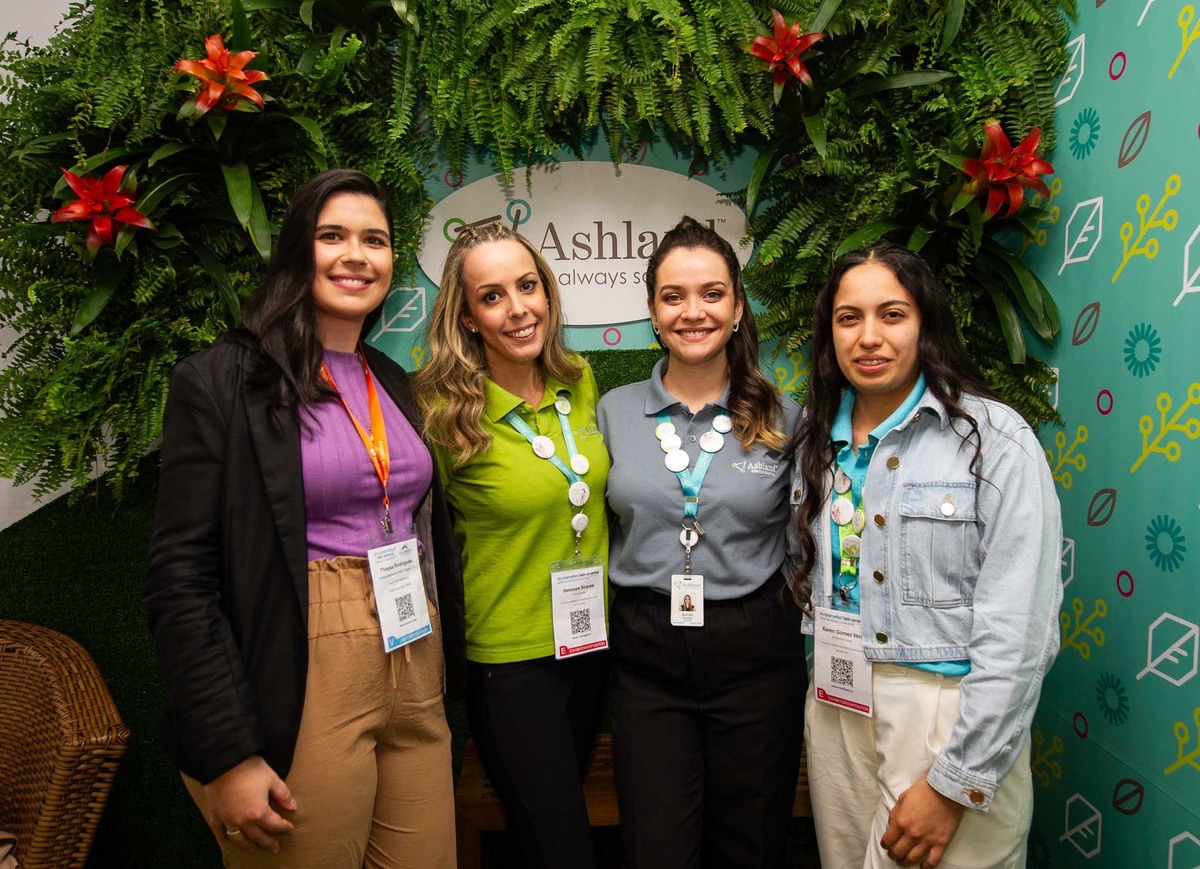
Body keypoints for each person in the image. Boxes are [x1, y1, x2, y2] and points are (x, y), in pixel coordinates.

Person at [145, 169, 463, 869]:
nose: (357, 255)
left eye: (375, 240)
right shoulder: (223, 378)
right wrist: (229, 750)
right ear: (296, 250)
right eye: (333, 236)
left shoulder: (390, 378)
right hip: (303, 662)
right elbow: (180, 577)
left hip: (412, 655)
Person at [789, 244, 1062, 869]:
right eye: (848, 317)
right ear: (829, 334)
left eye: (892, 314)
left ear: (925, 323)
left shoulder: (994, 440)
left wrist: (958, 779)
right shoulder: (814, 438)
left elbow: (1020, 633)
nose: (869, 337)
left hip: (946, 704)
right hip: (837, 701)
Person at [597, 216, 806, 869]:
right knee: (657, 849)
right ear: (652, 312)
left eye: (713, 294)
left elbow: (810, 543)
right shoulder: (612, 411)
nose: (694, 311)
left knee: (753, 848)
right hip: (646, 659)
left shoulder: (783, 416)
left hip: (755, 657)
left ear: (738, 308)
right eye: (674, 296)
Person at [413, 222, 611, 869]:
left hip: (588, 650)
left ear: (548, 294)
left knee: (545, 843)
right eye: (492, 295)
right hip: (509, 670)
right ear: (467, 316)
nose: (518, 307)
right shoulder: (444, 416)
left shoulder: (579, 380)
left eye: (528, 285)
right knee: (565, 851)